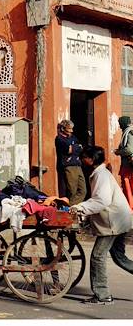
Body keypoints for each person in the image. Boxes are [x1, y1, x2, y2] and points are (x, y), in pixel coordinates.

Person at [70, 146, 133, 305]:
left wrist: (80, 207)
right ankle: (102, 294)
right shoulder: (99, 173)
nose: (82, 160)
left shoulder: (101, 175)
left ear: (91, 160)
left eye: (84, 157)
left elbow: (101, 201)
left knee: (98, 256)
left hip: (113, 221)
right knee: (119, 257)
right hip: (119, 219)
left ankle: (102, 295)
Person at [55, 119, 86, 205]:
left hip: (77, 165)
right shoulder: (60, 139)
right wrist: (75, 148)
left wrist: (74, 148)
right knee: (72, 190)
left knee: (83, 190)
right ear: (62, 128)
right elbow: (68, 150)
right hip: (69, 166)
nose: (71, 131)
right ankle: (69, 209)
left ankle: (71, 206)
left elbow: (80, 147)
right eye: (69, 129)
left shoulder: (73, 137)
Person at [113, 115, 133, 210]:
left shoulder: (129, 133)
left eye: (120, 123)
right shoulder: (128, 132)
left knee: (128, 187)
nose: (119, 126)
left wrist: (118, 152)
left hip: (129, 166)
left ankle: (130, 208)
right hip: (128, 166)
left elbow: (129, 150)